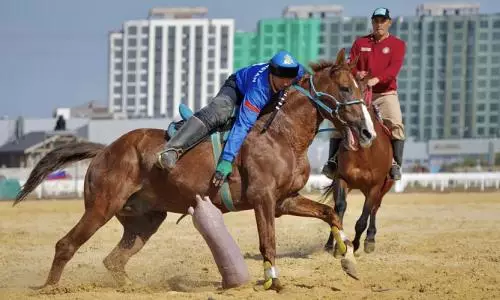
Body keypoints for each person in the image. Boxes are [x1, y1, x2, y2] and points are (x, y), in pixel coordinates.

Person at [157, 50, 306, 186]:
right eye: (282, 78)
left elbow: (307, 77)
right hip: (235, 87)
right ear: (272, 73)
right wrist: (227, 160)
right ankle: (173, 148)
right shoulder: (258, 92)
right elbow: (242, 125)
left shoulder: (294, 71)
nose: (287, 82)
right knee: (219, 113)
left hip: (267, 94)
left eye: (290, 78)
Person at [322, 7, 406, 180]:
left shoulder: (397, 45)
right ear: (372, 22)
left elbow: (393, 69)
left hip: (385, 94)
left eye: (383, 20)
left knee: (396, 123)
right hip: (360, 94)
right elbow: (349, 65)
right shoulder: (360, 43)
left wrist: (376, 79)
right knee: (341, 121)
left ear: (389, 23)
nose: (379, 24)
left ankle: (396, 164)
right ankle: (332, 161)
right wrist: (356, 74)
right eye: (376, 20)